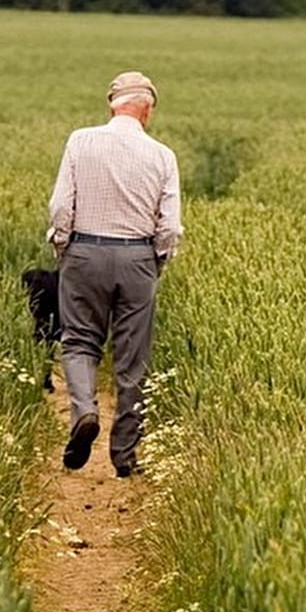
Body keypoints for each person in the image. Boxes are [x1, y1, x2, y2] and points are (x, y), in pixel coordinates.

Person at [46, 71, 182, 477]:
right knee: (132, 358)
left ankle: (85, 412)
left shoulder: (80, 141)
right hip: (137, 257)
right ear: (148, 110)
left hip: (85, 252)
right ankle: (125, 456)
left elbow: (60, 206)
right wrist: (155, 262)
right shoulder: (163, 155)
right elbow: (170, 226)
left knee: (79, 342)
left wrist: (64, 248)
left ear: (111, 105)